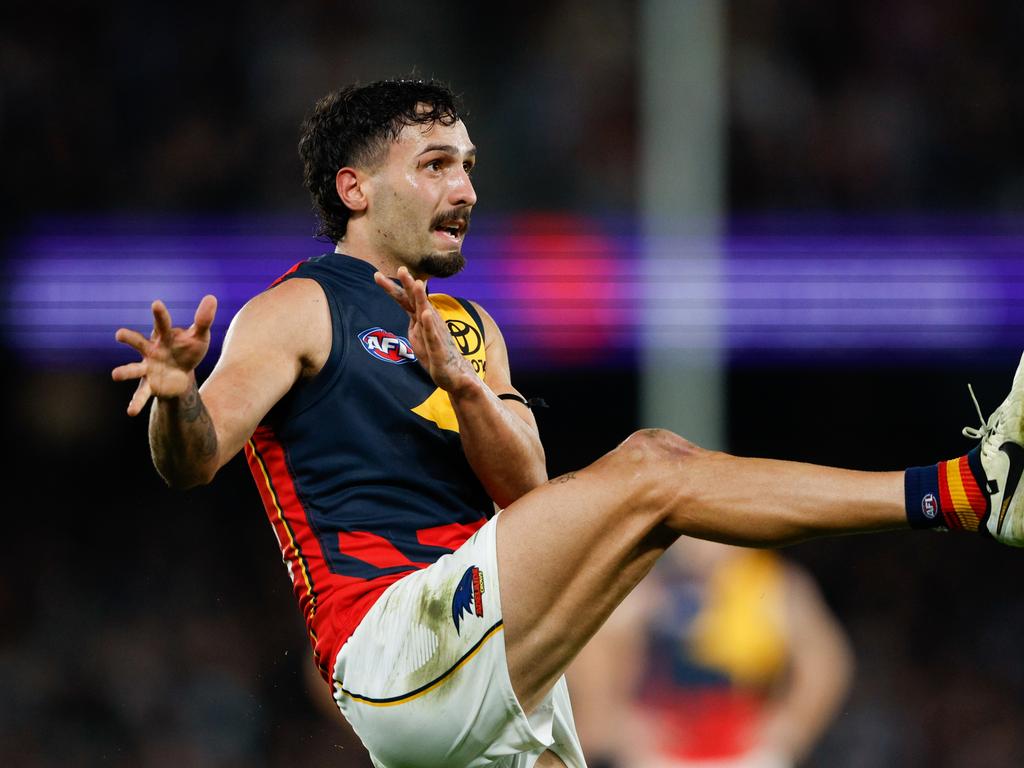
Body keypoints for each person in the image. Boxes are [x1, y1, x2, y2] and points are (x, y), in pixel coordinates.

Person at [113, 79, 1024, 768]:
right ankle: (973, 490)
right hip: (396, 640)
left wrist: (466, 388)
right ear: (355, 189)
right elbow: (192, 462)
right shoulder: (298, 308)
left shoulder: (469, 329)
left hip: (490, 663)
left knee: (648, 498)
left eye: (468, 164)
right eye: (435, 165)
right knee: (655, 466)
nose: (464, 186)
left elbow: (527, 497)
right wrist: (177, 396)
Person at [567, 538, 853, 768]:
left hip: (746, 752)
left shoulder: (775, 583)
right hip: (657, 752)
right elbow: (588, 648)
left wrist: (792, 727)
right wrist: (614, 722)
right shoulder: (642, 582)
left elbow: (825, 662)